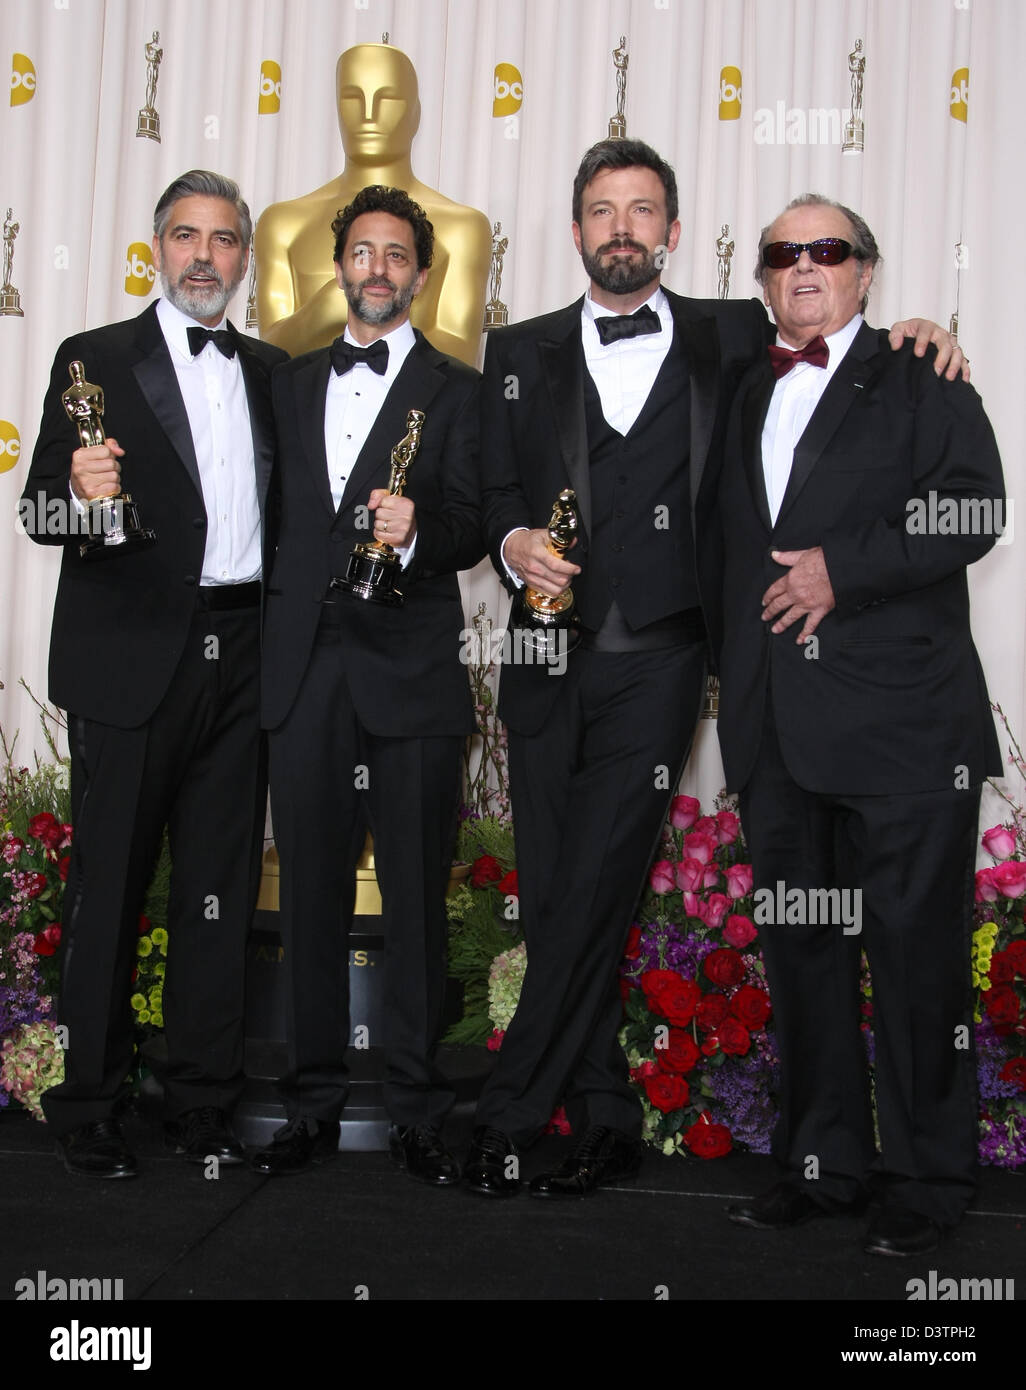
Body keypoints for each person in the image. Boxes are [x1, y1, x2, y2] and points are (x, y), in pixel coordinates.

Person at [466, 139, 967, 1200]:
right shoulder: (519, 350)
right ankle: (618, 1115)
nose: (622, 228)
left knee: (611, 880)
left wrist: (927, 331)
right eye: (602, 210)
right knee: (578, 894)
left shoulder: (745, 336)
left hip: (686, 661)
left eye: (643, 210)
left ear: (676, 232)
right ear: (575, 229)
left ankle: (506, 1112)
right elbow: (487, 487)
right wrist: (511, 542)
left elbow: (931, 457)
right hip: (554, 654)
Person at [714, 194, 1003, 1255]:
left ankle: (930, 1177)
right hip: (780, 731)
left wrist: (848, 569)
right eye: (783, 254)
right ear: (762, 280)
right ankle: (824, 1165)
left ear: (866, 273)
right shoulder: (745, 381)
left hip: (903, 728)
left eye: (826, 250)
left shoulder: (919, 372)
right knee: (807, 956)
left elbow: (976, 508)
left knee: (918, 960)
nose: (803, 266)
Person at [23, 170, 287, 1177]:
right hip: (131, 660)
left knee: (216, 891)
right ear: (157, 246)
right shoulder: (92, 358)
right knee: (111, 885)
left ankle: (202, 1099)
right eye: (187, 235)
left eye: (224, 239)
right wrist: (82, 497)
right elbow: (39, 513)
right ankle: (87, 1097)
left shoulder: (270, 369)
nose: (204, 256)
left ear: (244, 256)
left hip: (243, 651)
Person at [252, 185, 483, 1182]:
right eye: (363, 251)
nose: (379, 267)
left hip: (415, 674)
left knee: (418, 898)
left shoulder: (463, 390)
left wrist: (421, 531)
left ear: (421, 277)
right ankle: (308, 1101)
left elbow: (484, 525)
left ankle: (420, 1107)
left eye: (397, 255)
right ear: (337, 265)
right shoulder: (286, 383)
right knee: (307, 892)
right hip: (303, 671)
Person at [254, 42, 490, 365]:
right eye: (353, 99)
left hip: (416, 414)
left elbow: (460, 359)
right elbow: (267, 357)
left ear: (415, 114)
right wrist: (326, 309)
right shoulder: (283, 225)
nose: (368, 115)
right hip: (310, 413)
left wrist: (368, 308)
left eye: (387, 99)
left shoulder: (462, 229)